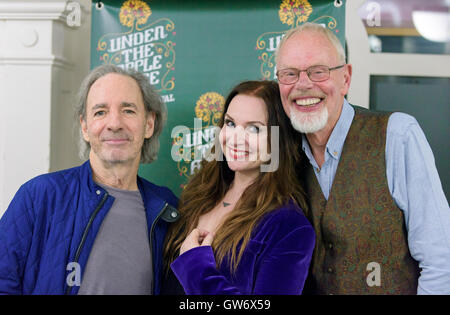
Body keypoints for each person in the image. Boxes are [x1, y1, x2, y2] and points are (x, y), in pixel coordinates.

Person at [275, 22, 450, 294]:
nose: (303, 84)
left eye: (318, 71)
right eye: (289, 74)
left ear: (346, 78)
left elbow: (442, 260)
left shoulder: (397, 135)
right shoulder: (283, 154)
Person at [0, 65, 179, 295]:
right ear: (85, 126)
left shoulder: (167, 209)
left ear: (149, 124)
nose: (114, 124)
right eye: (100, 112)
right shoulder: (39, 196)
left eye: (128, 110)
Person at [162, 80, 315, 295]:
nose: (236, 138)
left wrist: (196, 266)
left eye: (254, 128)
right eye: (231, 123)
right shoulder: (199, 195)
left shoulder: (289, 227)